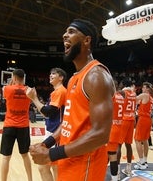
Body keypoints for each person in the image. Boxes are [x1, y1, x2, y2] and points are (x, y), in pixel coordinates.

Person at [29, 19, 115, 181]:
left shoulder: (96, 76)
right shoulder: (74, 78)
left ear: (86, 40)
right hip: (69, 157)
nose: (64, 35)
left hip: (86, 164)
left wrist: (51, 154)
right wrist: (46, 144)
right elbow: (69, 122)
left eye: (71, 32)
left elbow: (101, 134)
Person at [26, 67, 67, 181]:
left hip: (57, 134)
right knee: (44, 167)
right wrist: (34, 99)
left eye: (54, 74)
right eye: (50, 73)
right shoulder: (55, 92)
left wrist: (34, 98)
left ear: (61, 77)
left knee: (54, 168)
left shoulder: (61, 91)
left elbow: (48, 112)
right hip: (50, 132)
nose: (50, 75)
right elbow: (45, 114)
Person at [0, 69, 32, 181]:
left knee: (6, 158)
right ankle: (30, 179)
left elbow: (6, 91)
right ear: (24, 77)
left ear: (13, 78)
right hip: (23, 126)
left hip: (9, 125)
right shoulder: (30, 90)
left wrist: (11, 84)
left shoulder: (6, 89)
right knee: (25, 155)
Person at [117, 79, 136, 177]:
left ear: (123, 84)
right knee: (128, 145)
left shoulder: (122, 92)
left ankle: (118, 172)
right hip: (131, 120)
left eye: (120, 83)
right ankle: (128, 169)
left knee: (118, 145)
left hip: (124, 119)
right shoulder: (133, 93)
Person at [107, 79, 124, 181]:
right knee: (113, 155)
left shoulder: (111, 97)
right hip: (118, 128)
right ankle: (115, 178)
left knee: (104, 155)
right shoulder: (121, 96)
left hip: (111, 128)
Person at [133, 82, 153, 170]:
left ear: (147, 89)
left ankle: (141, 162)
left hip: (143, 119)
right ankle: (144, 161)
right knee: (145, 140)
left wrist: (131, 91)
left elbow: (133, 99)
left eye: (144, 87)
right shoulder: (151, 97)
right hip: (148, 119)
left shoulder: (144, 95)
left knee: (137, 140)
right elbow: (137, 101)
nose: (142, 89)